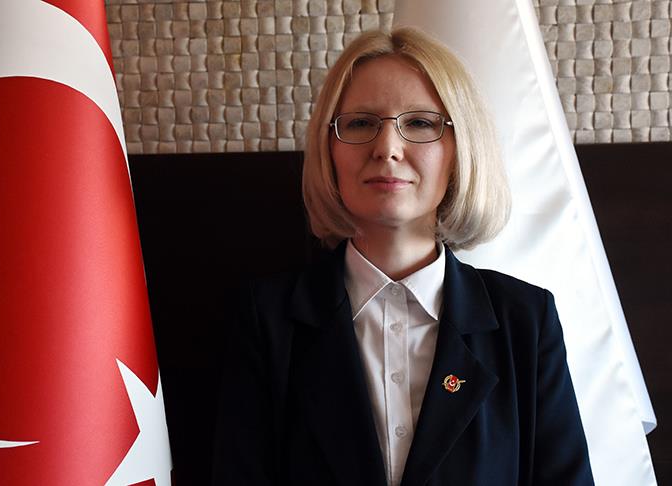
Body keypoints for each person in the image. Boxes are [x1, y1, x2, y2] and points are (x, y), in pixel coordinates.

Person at [212, 28, 593, 486]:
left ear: (460, 148)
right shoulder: (268, 320)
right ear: (329, 148)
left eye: (420, 123)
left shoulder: (525, 321)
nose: (387, 149)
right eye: (360, 123)